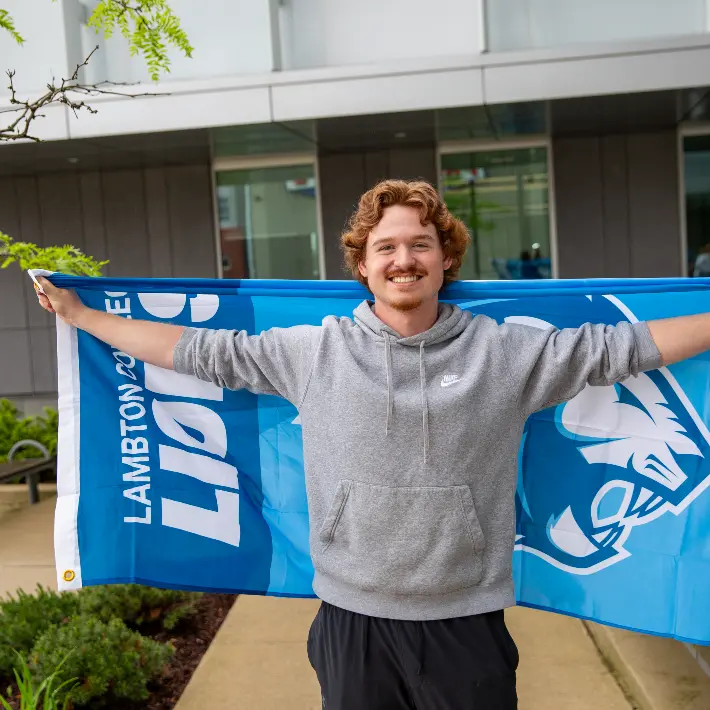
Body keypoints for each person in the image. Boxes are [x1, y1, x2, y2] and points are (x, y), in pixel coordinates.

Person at [36, 180, 710, 710]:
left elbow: (626, 349)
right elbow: (198, 351)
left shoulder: (506, 352)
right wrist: (84, 316)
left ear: (446, 259)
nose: (403, 260)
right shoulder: (314, 351)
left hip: (465, 622)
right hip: (352, 621)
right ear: (362, 263)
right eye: (385, 247)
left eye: (420, 244)